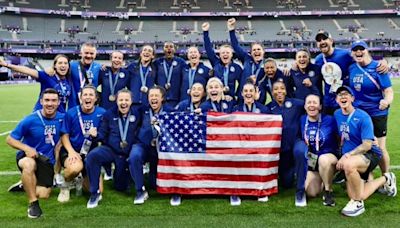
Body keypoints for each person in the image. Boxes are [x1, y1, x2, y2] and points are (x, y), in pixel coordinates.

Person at [334, 86, 397, 217]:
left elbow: (367, 145)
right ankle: (386, 178)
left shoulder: (363, 116)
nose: (343, 97)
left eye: (346, 94)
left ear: (352, 98)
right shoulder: (337, 114)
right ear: (336, 99)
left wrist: (347, 155)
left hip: (369, 154)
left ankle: (358, 204)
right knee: (358, 193)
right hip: (352, 157)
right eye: (340, 95)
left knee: (349, 165)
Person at [6, 88, 64, 218]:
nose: (50, 104)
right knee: (28, 165)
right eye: (47, 100)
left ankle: (25, 183)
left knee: (43, 195)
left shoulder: (63, 118)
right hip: (28, 156)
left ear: (58, 102)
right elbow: (10, 139)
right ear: (41, 101)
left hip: (46, 162)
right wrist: (26, 148)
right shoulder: (30, 119)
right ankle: (33, 204)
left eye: (54, 100)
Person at [85, 89, 142, 208]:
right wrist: (95, 135)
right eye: (121, 100)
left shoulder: (137, 113)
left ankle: (131, 179)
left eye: (126, 100)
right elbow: (102, 133)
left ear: (131, 101)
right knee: (93, 156)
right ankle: (94, 193)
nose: (123, 103)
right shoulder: (109, 114)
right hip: (111, 150)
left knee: (120, 187)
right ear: (116, 101)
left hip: (129, 152)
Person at [314, 31, 389, 114]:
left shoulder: (345, 54)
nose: (322, 42)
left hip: (346, 102)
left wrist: (383, 61)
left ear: (331, 40)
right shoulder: (318, 60)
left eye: (324, 39)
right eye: (319, 40)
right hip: (328, 103)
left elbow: (363, 57)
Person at [349, 40, 394, 176]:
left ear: (367, 50)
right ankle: (367, 175)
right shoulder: (351, 68)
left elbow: (388, 91)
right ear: (352, 53)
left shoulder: (378, 67)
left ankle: (387, 177)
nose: (358, 52)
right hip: (359, 114)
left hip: (376, 113)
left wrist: (386, 101)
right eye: (355, 50)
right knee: (362, 146)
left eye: (361, 49)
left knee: (379, 147)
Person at [57, 85, 106, 203]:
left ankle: (80, 179)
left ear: (95, 98)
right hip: (72, 150)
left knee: (98, 190)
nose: (88, 97)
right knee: (75, 168)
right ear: (80, 98)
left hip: (90, 154)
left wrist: (97, 135)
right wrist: (71, 151)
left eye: (91, 95)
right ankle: (65, 185)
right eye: (85, 95)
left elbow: (104, 135)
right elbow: (64, 135)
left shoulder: (102, 113)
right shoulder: (71, 113)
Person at [129, 86, 173, 205]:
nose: (153, 98)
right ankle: (140, 191)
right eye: (151, 96)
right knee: (134, 156)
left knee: (155, 185)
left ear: (162, 98)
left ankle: (172, 188)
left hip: (162, 150)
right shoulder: (142, 110)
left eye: (156, 96)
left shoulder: (170, 111)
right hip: (144, 146)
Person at [200, 77, 239, 206]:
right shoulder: (204, 106)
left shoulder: (230, 103)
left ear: (222, 89)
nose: (214, 90)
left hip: (229, 142)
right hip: (212, 143)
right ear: (207, 91)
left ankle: (233, 192)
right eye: (211, 88)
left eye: (216, 87)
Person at [265, 81, 305, 206]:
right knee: (287, 184)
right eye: (276, 89)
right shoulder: (268, 108)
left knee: (300, 151)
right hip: (281, 149)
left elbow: (312, 104)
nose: (279, 91)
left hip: (296, 143)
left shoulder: (296, 104)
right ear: (272, 93)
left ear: (286, 90)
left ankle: (301, 191)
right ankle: (291, 172)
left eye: (282, 88)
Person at [0, 55, 76, 113]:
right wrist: (7, 65)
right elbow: (27, 71)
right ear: (55, 66)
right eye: (60, 63)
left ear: (68, 66)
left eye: (65, 63)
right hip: (42, 115)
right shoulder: (47, 76)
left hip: (59, 117)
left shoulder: (69, 80)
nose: (63, 65)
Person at [300, 94, 339, 207]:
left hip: (329, 158)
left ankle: (328, 191)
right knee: (311, 192)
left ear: (320, 106)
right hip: (313, 163)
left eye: (315, 103)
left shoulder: (330, 120)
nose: (312, 105)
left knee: (323, 159)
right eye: (309, 103)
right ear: (305, 106)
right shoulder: (302, 120)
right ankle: (324, 178)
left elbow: (341, 136)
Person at [227, 18, 266, 104]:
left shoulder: (267, 65)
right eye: (254, 50)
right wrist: (231, 30)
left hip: (258, 97)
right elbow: (236, 46)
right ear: (251, 53)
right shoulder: (247, 58)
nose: (256, 52)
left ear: (263, 51)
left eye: (259, 49)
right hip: (242, 97)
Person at [202, 22, 242, 102]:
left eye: (227, 53)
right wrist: (205, 32)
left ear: (231, 55)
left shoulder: (237, 67)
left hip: (230, 100)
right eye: (223, 53)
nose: (225, 54)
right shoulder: (216, 63)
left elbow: (242, 83)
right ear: (219, 55)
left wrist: (236, 96)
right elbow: (208, 49)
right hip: (216, 98)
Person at [154, 42, 186, 106]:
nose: (169, 49)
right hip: (161, 98)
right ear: (163, 49)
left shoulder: (181, 62)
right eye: (166, 47)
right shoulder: (157, 62)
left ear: (175, 49)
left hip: (176, 97)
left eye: (171, 47)